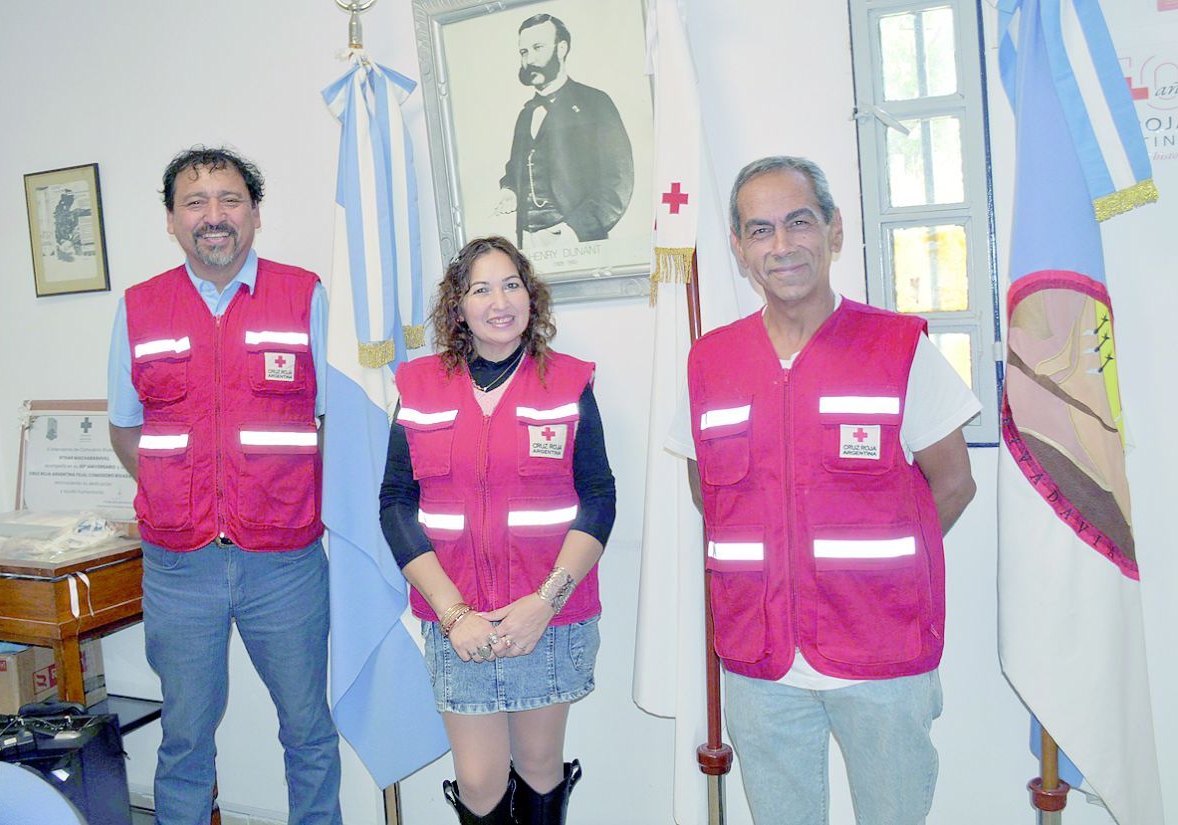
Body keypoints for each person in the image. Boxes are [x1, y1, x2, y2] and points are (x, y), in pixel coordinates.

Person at [673, 156, 980, 824]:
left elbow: (954, 484)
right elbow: (709, 494)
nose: (781, 245)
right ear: (739, 248)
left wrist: (876, 576)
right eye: (760, 230)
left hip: (881, 651)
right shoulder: (708, 363)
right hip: (760, 661)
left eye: (799, 222)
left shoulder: (897, 347)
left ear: (834, 230)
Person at [107, 146, 342, 825]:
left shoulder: (303, 295)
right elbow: (127, 430)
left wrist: (281, 499)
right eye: (196, 202)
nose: (214, 215)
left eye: (230, 199)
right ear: (172, 220)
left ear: (255, 214)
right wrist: (182, 497)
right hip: (180, 567)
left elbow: (332, 421)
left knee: (308, 730)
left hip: (285, 564)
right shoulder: (139, 307)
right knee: (184, 740)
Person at [380, 236, 615, 824]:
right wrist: (454, 615)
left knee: (539, 765)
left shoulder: (569, 382)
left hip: (547, 617)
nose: (499, 301)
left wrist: (544, 604)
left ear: (530, 296)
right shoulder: (418, 387)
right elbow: (396, 505)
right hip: (458, 620)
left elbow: (599, 499)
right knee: (479, 780)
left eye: (511, 285)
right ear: (458, 307)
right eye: (480, 289)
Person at [494, 13, 634, 249]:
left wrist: (575, 231)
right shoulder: (526, 113)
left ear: (561, 48)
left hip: (577, 240)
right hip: (527, 242)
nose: (529, 59)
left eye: (538, 48)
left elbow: (618, 181)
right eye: (524, 52)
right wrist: (510, 190)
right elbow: (518, 166)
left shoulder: (595, 103)